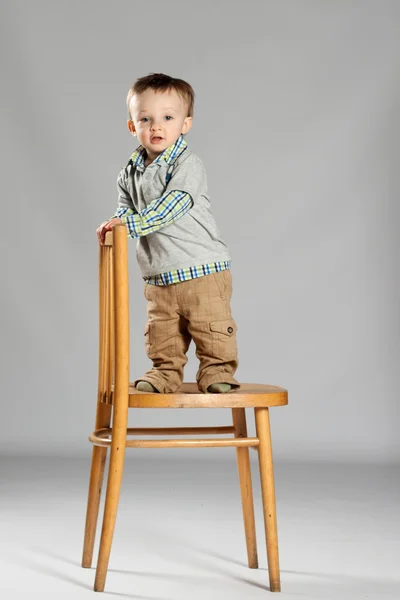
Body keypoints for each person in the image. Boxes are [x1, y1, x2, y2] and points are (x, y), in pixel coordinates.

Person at [96, 73, 240, 394]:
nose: (156, 126)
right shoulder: (129, 173)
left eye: (167, 118)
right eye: (145, 119)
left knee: (210, 326)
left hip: (202, 268)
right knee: (162, 332)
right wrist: (113, 225)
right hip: (159, 273)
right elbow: (125, 210)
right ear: (133, 127)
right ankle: (165, 373)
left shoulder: (188, 165)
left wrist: (130, 226)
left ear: (185, 125)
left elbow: (170, 207)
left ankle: (217, 372)